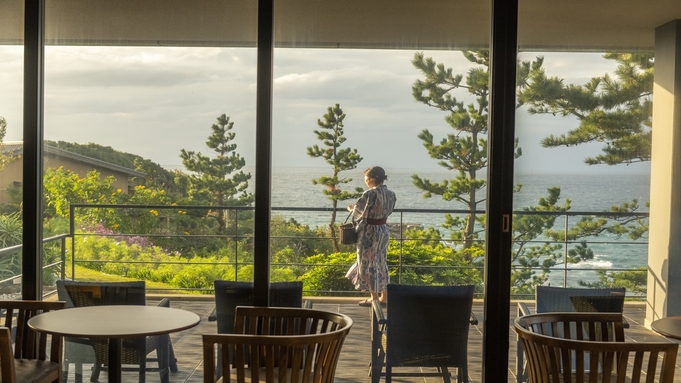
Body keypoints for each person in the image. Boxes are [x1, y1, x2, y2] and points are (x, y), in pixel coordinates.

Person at [346, 166, 396, 307]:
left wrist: (351, 209)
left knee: (367, 263)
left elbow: (359, 214)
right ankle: (384, 297)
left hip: (369, 232)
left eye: (367, 179)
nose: (366, 182)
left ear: (372, 179)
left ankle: (374, 298)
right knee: (381, 261)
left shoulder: (370, 194)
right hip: (383, 230)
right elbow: (389, 211)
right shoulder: (391, 194)